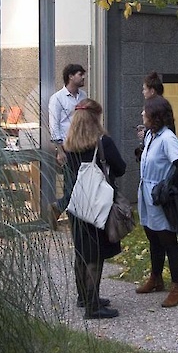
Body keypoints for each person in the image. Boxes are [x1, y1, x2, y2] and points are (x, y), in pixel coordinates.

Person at [63, 99, 125, 319]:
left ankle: (84, 297)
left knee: (81, 251)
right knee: (95, 255)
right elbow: (121, 168)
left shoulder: (69, 144)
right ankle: (93, 306)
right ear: (95, 118)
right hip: (97, 204)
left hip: (77, 205)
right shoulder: (103, 142)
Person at [134, 94, 178, 307]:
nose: (142, 114)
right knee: (152, 237)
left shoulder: (167, 138)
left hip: (159, 195)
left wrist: (168, 187)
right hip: (146, 192)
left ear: (154, 115)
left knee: (168, 239)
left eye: (145, 111)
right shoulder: (150, 135)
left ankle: (177, 287)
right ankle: (156, 278)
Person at [48, 64, 87, 219]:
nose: (83, 77)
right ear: (70, 76)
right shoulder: (57, 98)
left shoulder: (83, 96)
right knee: (71, 183)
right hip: (68, 147)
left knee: (82, 182)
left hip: (83, 145)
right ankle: (59, 208)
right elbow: (54, 124)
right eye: (80, 74)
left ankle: (63, 209)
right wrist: (60, 150)